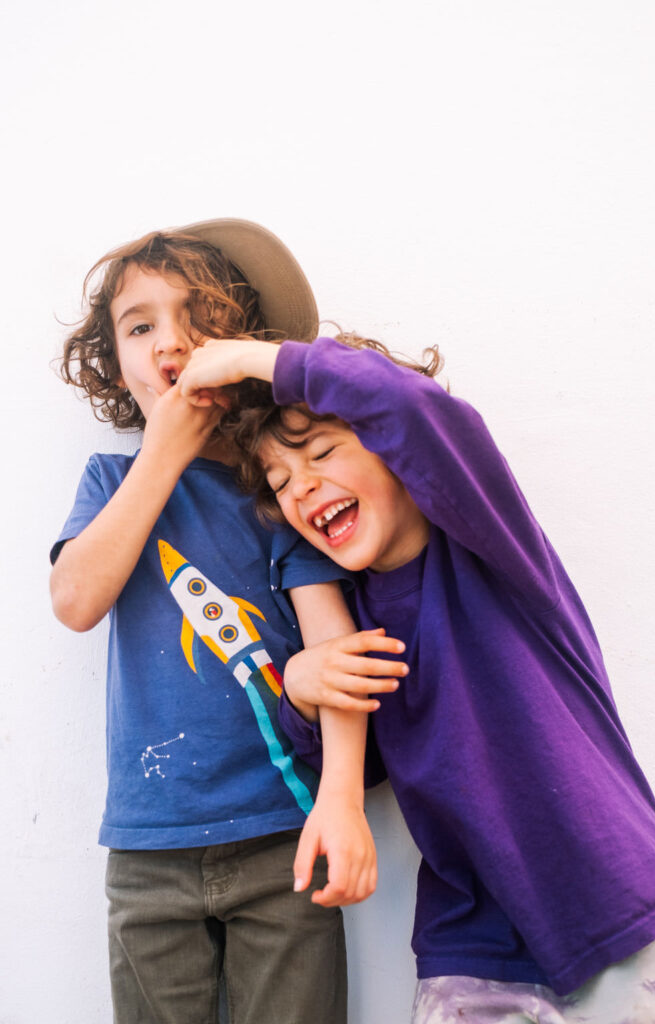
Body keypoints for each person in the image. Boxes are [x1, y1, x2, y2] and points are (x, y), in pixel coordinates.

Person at [177, 332, 655, 1023]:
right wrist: (299, 686)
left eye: (323, 453)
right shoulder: (352, 621)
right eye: (281, 482)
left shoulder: (493, 549)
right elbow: (355, 770)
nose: (304, 487)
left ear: (396, 453)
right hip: (469, 939)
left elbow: (410, 407)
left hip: (612, 902)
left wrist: (250, 359)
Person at [49, 222, 384, 1024]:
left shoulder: (281, 492)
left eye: (197, 317)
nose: (169, 342)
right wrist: (162, 451)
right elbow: (74, 602)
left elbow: (333, 646)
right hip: (146, 847)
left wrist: (341, 800)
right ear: (114, 361)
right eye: (140, 325)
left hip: (284, 838)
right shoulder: (111, 480)